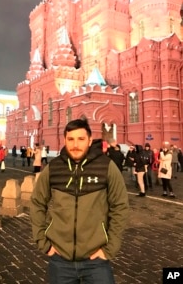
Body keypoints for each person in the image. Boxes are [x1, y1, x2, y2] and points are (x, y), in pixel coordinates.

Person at [30, 118, 129, 284]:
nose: (75, 144)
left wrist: (110, 247)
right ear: (65, 140)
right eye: (71, 139)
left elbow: (120, 206)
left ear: (90, 140)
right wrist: (43, 242)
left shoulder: (106, 166)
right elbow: (37, 202)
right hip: (60, 260)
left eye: (81, 139)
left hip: (97, 260)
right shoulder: (54, 168)